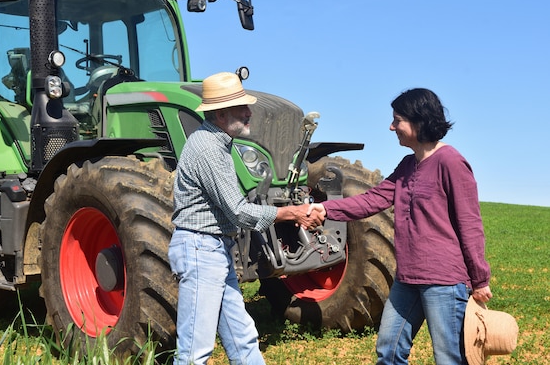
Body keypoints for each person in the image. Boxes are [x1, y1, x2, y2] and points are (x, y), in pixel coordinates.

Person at [308, 88, 492, 365]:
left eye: (397, 120)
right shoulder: (408, 165)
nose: (392, 126)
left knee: (449, 357)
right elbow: (372, 200)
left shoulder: (451, 162)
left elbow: (470, 223)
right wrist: (325, 208)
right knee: (389, 352)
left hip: (443, 281)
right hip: (407, 279)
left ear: (419, 122)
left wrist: (480, 279)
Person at [169, 71, 324, 365]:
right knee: (194, 353)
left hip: (214, 249)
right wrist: (290, 213)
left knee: (243, 340)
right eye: (243, 107)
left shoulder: (219, 144)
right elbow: (239, 211)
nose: (250, 112)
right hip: (201, 250)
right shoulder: (207, 149)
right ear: (221, 113)